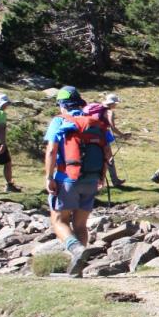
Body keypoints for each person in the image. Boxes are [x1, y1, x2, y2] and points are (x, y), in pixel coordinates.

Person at [44, 86, 112, 277]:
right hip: (91, 179)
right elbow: (107, 153)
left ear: (62, 105)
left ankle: (76, 251)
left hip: (67, 179)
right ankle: (77, 270)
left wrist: (49, 177)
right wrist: (101, 177)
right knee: (81, 225)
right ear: (80, 103)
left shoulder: (59, 121)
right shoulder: (96, 124)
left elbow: (51, 150)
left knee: (59, 220)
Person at [96, 93, 131, 187]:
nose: (116, 105)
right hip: (102, 136)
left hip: (91, 135)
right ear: (112, 103)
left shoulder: (98, 108)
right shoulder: (109, 112)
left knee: (97, 157)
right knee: (109, 159)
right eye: (116, 103)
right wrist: (123, 135)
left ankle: (96, 180)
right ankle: (113, 181)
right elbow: (113, 128)